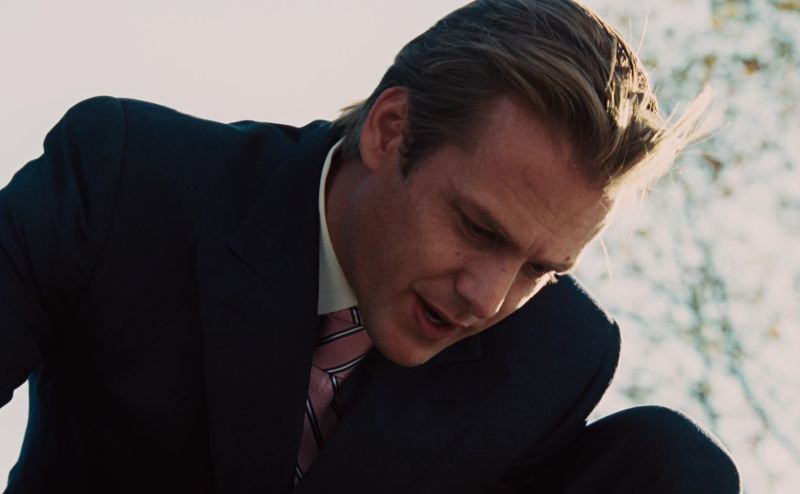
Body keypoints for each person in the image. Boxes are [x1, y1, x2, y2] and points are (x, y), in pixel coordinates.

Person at [0, 0, 740, 492]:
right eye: (479, 228)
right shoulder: (131, 178)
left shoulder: (552, 355)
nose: (487, 299)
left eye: (540, 269)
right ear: (390, 130)